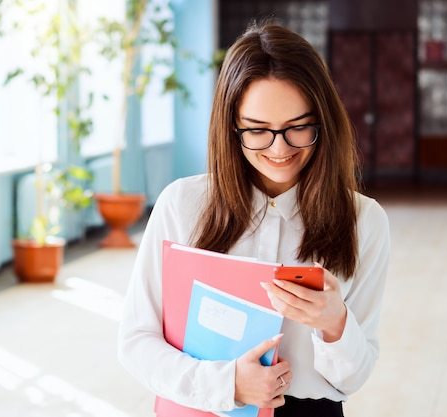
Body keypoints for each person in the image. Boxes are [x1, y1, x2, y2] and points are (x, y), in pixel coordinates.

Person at [118, 20, 390, 417]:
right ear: (232, 127)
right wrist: (225, 384)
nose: (280, 148)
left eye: (298, 127)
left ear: (323, 121)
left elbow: (354, 378)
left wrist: (336, 325)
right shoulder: (182, 205)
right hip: (203, 406)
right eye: (258, 130)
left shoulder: (364, 221)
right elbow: (136, 341)